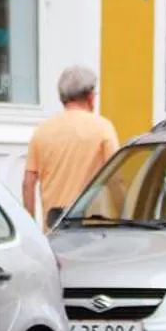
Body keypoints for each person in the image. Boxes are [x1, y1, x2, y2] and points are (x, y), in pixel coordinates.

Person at [23, 65, 120, 229]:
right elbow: (116, 179)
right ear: (90, 96)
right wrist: (122, 217)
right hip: (91, 227)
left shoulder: (42, 131)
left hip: (54, 227)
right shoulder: (102, 128)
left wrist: (31, 225)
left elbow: (28, 183)